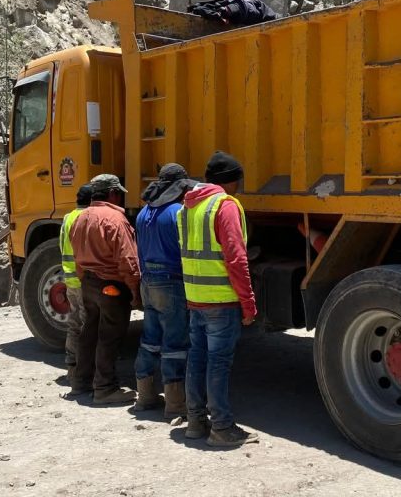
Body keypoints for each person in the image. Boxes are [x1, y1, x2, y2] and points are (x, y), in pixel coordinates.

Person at [179, 151, 259, 447]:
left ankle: (195, 422)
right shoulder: (224, 205)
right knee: (218, 363)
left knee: (197, 359)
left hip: (195, 297)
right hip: (221, 300)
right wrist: (248, 303)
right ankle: (222, 428)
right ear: (231, 181)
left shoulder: (187, 207)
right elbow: (236, 259)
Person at [68, 174, 141, 404]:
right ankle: (105, 388)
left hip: (88, 282)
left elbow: (76, 255)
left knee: (89, 332)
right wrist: (135, 291)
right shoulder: (115, 219)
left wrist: (85, 279)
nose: (120, 198)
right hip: (111, 285)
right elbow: (128, 260)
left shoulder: (80, 218)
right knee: (110, 336)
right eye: (118, 194)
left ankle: (81, 382)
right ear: (112, 193)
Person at [132, 164, 197, 419]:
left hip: (148, 282)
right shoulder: (177, 213)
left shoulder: (143, 213)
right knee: (174, 343)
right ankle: (175, 404)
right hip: (171, 283)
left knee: (150, 339)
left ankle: (145, 395)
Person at [60, 183, 95, 380]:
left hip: (69, 278)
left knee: (74, 324)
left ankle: (72, 366)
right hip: (83, 280)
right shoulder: (87, 218)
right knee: (87, 325)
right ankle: (84, 372)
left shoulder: (68, 217)